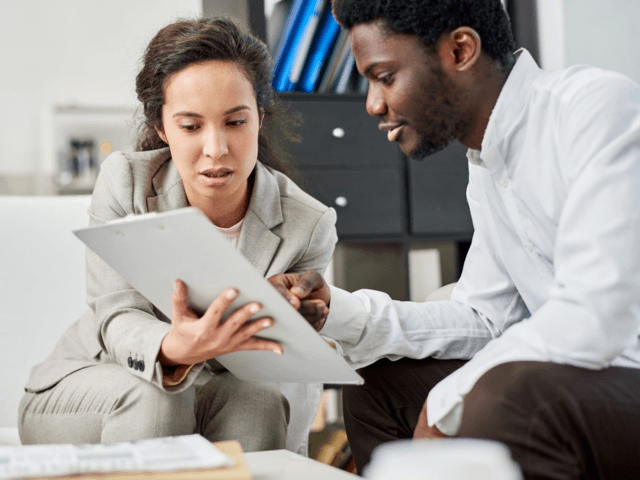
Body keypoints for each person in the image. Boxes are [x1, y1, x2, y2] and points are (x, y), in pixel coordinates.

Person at [269, 0, 640, 477]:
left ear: (460, 49)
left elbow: (596, 315)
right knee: (377, 387)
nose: (372, 103)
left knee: (505, 398)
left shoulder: (593, 108)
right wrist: (339, 314)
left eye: (385, 76)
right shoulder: (487, 164)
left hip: (624, 372)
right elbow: (484, 318)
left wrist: (446, 401)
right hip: (578, 382)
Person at [18, 17, 338, 454]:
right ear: (162, 127)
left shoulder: (308, 225)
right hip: (89, 384)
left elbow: (279, 357)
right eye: (191, 127)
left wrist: (297, 326)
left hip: (210, 391)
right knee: (156, 399)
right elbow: (116, 315)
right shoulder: (125, 182)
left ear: (259, 119)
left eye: (235, 122)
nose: (216, 148)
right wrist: (174, 347)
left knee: (259, 403)